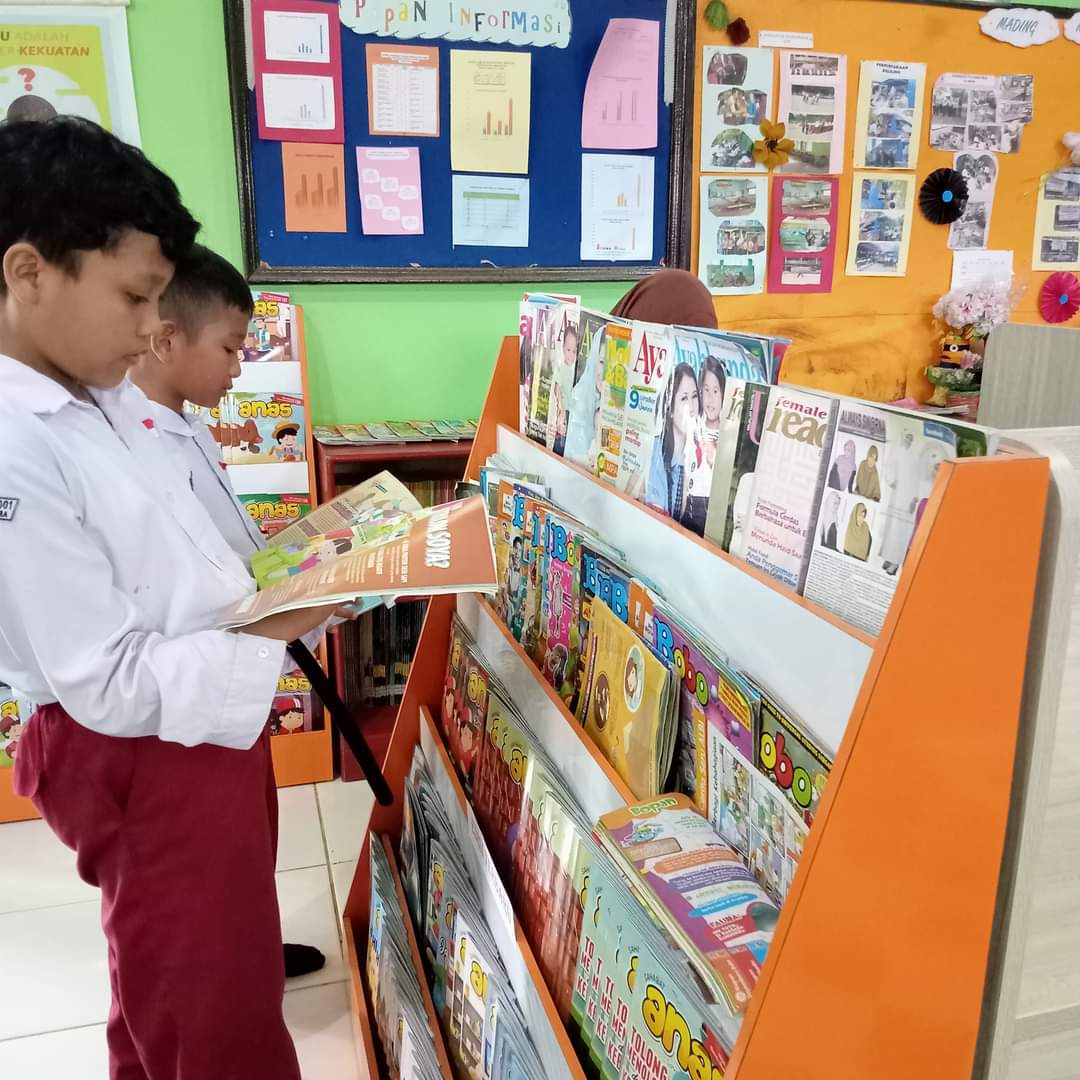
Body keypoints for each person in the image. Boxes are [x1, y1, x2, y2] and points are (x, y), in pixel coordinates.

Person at [0, 117, 336, 1079]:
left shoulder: (100, 394)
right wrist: (276, 625)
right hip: (138, 749)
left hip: (193, 725)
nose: (152, 326)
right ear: (29, 273)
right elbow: (105, 678)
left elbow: (180, 550)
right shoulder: (16, 439)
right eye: (134, 296)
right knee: (210, 1011)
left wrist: (302, 582)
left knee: (178, 979)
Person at [646, 363, 699, 520]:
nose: (691, 408)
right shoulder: (656, 452)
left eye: (694, 396)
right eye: (684, 398)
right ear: (670, 408)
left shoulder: (695, 459)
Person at [683, 356, 725, 536]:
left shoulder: (729, 433)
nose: (710, 399)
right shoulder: (693, 425)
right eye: (706, 390)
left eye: (715, 391)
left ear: (723, 393)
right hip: (691, 506)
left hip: (716, 511)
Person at [879, 430, 920, 574]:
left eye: (911, 438)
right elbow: (888, 467)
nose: (908, 440)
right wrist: (892, 481)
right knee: (892, 528)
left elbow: (916, 479)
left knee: (902, 530)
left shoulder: (913, 457)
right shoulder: (896, 451)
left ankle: (895, 562)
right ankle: (888, 557)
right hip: (896, 497)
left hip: (907, 499)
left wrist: (915, 498)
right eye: (907, 437)